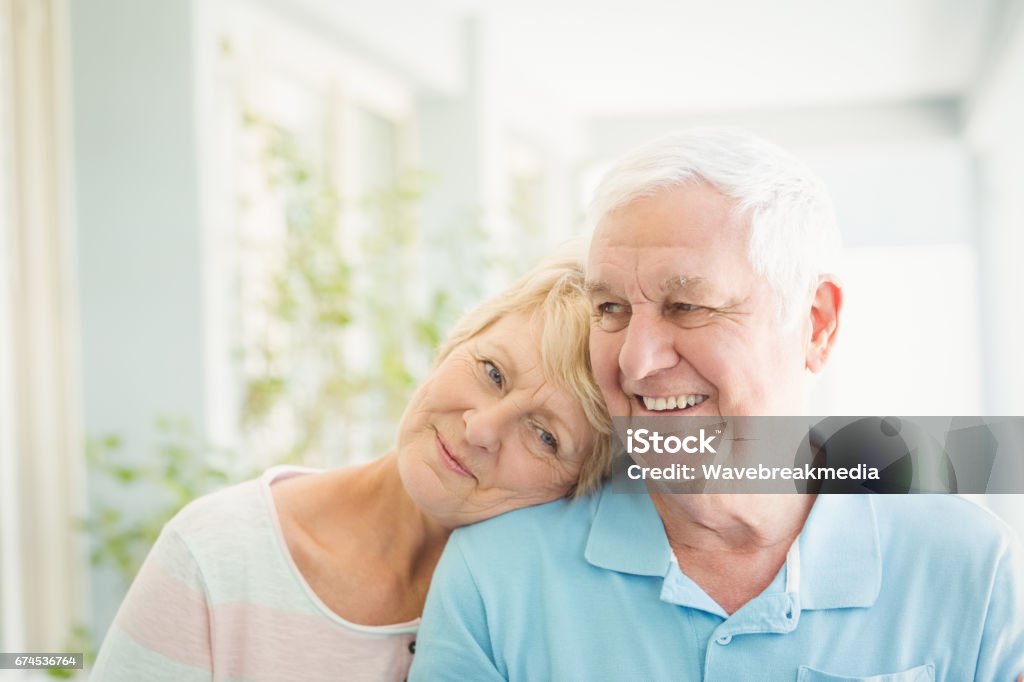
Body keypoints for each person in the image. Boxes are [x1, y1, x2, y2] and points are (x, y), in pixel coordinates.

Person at [410, 129, 1024, 680]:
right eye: (611, 309)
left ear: (816, 325)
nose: (634, 360)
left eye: (687, 306)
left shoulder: (966, 564)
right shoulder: (497, 575)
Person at [89, 250, 613, 681]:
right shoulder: (216, 554)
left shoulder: (537, 612)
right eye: (492, 372)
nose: (481, 429)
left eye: (545, 436)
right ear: (452, 345)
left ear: (577, 485)